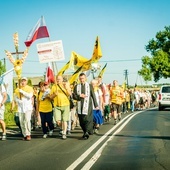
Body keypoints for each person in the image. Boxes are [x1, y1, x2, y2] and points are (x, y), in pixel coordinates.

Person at [73, 73, 99, 140]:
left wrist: (96, 105)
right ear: (79, 79)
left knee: (87, 119)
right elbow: (74, 96)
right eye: (80, 78)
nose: (82, 80)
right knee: (81, 121)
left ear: (85, 78)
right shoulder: (76, 86)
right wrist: (79, 96)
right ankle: (85, 132)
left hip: (88, 106)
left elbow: (93, 95)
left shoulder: (89, 86)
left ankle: (87, 132)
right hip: (80, 106)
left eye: (83, 78)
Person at [50, 75, 72, 140]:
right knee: (58, 121)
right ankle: (63, 128)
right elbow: (50, 97)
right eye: (57, 79)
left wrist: (67, 88)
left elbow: (70, 94)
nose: (58, 80)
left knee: (64, 120)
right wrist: (54, 94)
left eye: (59, 79)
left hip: (65, 105)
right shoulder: (54, 86)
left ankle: (64, 133)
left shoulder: (65, 85)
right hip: (57, 105)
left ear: (62, 79)